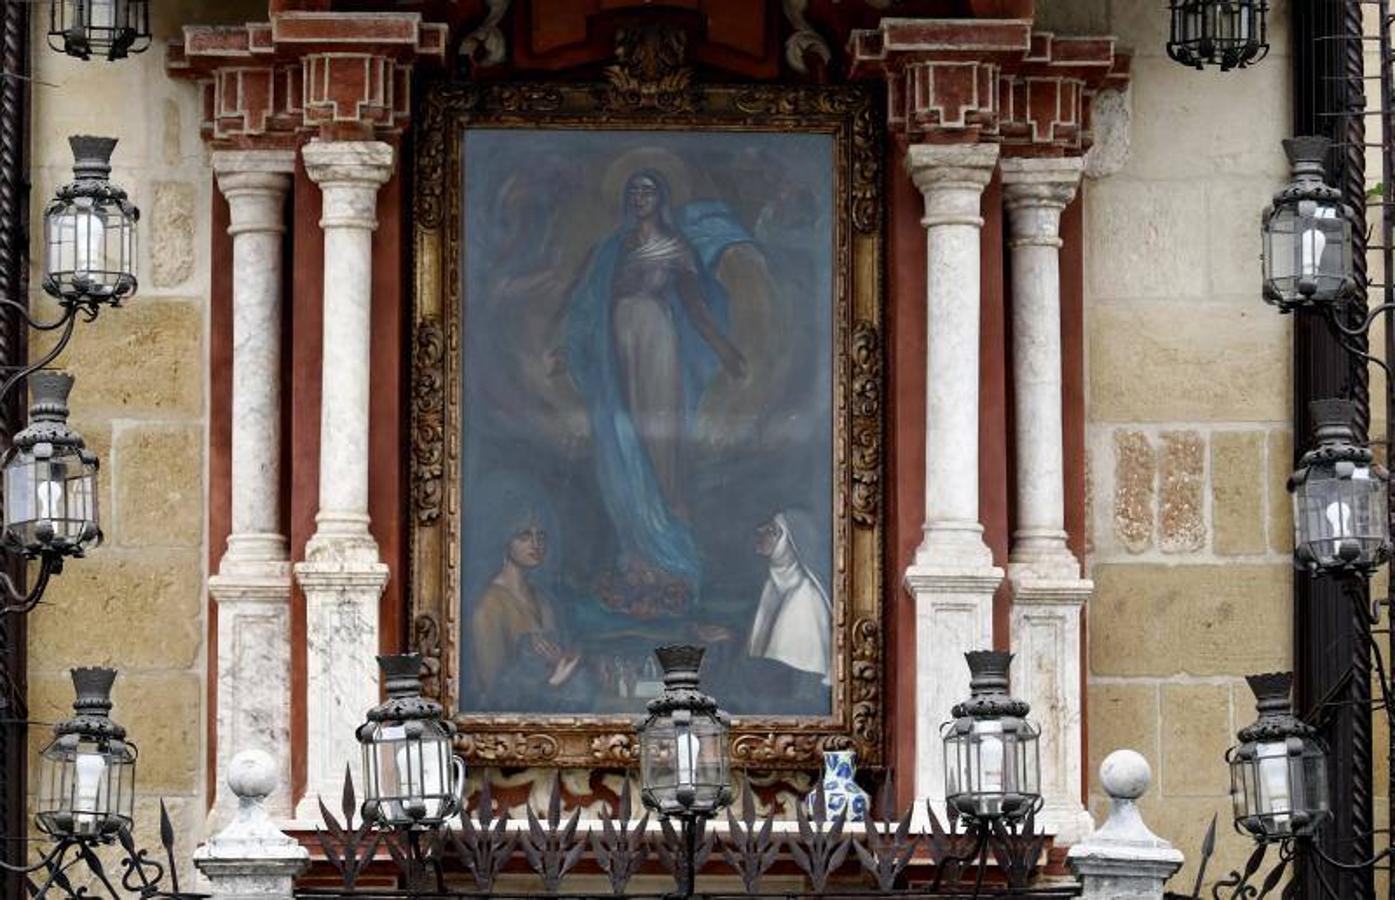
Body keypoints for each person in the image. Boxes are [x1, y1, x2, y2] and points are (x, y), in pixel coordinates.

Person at [564, 168, 751, 598]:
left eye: (648, 190)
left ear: (661, 197)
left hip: (656, 340)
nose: (640, 197)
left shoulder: (676, 247)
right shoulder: (614, 248)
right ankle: (636, 547)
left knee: (657, 437)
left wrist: (724, 348)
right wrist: (571, 349)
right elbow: (588, 304)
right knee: (620, 434)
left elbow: (696, 306)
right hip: (618, 343)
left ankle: (667, 543)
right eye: (634, 191)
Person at [467, 479, 586, 711]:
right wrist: (553, 682)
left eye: (540, 536)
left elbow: (561, 658)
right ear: (505, 540)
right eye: (524, 536)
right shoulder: (489, 607)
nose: (535, 544)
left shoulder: (542, 599)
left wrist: (565, 662)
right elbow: (494, 697)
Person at [746, 510, 833, 710]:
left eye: (773, 531)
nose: (762, 535)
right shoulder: (772, 586)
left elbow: (801, 687)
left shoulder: (806, 598)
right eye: (765, 529)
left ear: (790, 543)